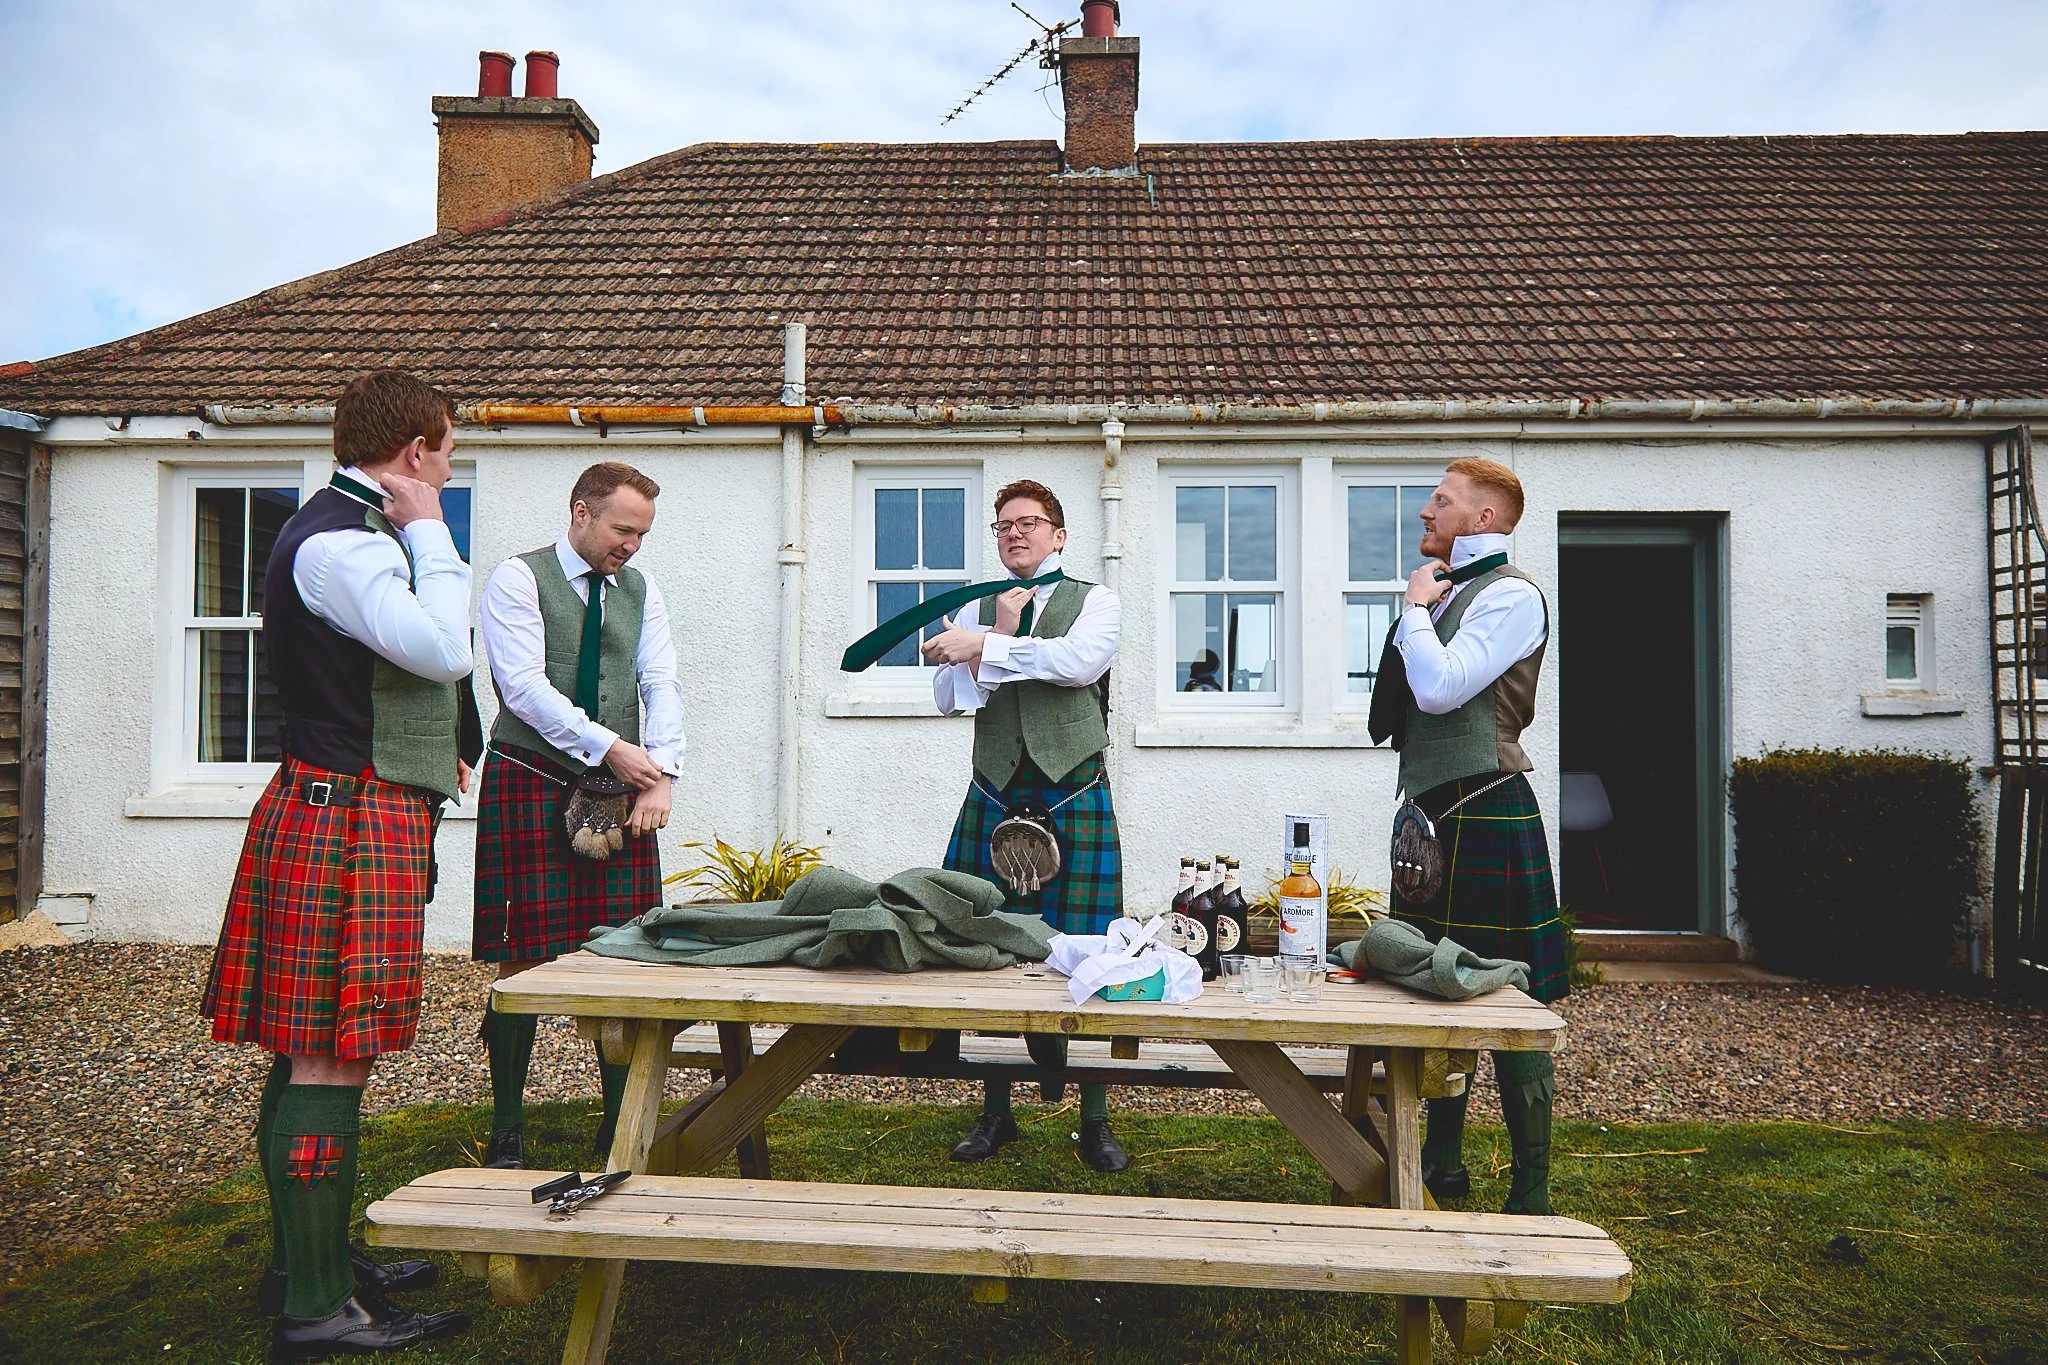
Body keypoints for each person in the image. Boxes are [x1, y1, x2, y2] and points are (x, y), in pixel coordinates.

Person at [200, 369, 475, 1358]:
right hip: (346, 816)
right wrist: (436, 529)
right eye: (445, 451)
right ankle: (316, 1310)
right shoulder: (345, 546)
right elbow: (443, 647)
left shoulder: (340, 535)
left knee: (307, 1046)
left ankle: (304, 1262)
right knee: (328, 1051)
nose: (447, 466)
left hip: (341, 805)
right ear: (414, 453)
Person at [472, 461, 683, 1169]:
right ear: (581, 512)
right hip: (532, 775)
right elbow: (524, 689)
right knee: (523, 957)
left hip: (617, 785)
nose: (632, 545)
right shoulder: (517, 579)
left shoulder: (641, 590)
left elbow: (659, 680)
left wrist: (663, 775)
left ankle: (615, 1121)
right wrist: (615, 748)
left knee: (619, 948)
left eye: (643, 533)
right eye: (623, 529)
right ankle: (507, 1126)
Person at [920, 479, 1131, 1173]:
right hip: (995, 789)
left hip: (1073, 792)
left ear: (1059, 535)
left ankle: (1096, 1118)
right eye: (1004, 525)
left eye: (1030, 523)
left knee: (1094, 952)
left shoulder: (1095, 600)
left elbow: (1077, 664)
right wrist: (993, 638)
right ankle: (996, 1110)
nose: (1015, 533)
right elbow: (953, 698)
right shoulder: (969, 607)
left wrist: (987, 644)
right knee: (993, 948)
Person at [1378, 456, 1566, 1215]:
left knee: (1512, 996)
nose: (1427, 513)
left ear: (1484, 518)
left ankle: (1532, 1192)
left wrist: (1415, 609)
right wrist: (1421, 606)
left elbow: (1441, 684)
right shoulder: (1442, 591)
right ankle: (1443, 1167)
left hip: (1489, 811)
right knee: (1430, 988)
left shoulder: (1512, 597)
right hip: (1428, 817)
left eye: (1442, 502)